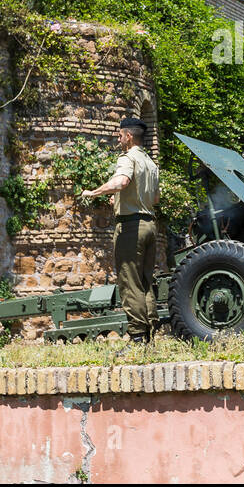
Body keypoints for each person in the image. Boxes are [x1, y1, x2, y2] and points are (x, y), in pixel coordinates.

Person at [81, 118, 160, 342]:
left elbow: (122, 182)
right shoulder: (151, 164)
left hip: (131, 227)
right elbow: (155, 198)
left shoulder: (128, 158)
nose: (117, 139)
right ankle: (149, 335)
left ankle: (136, 337)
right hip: (150, 226)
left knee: (129, 282)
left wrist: (93, 192)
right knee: (145, 282)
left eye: (119, 135)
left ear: (128, 136)